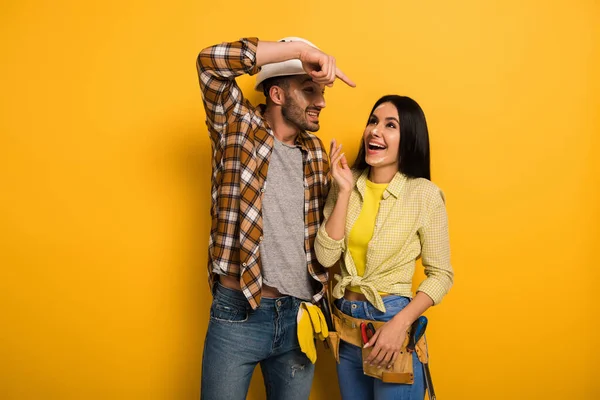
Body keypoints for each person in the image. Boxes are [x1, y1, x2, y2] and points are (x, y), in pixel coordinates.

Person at [195, 36, 355, 400]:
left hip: (298, 316)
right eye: (309, 90)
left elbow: (323, 246)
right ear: (278, 95)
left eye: (321, 92)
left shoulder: (316, 153)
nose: (321, 102)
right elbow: (209, 62)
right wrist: (300, 53)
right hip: (238, 314)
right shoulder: (236, 126)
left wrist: (344, 190)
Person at [314, 95, 454, 400]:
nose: (375, 131)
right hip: (346, 325)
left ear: (409, 139)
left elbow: (441, 275)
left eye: (390, 125)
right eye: (373, 121)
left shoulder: (424, 195)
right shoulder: (346, 182)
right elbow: (325, 257)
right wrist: (344, 192)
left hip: (391, 324)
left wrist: (399, 324)